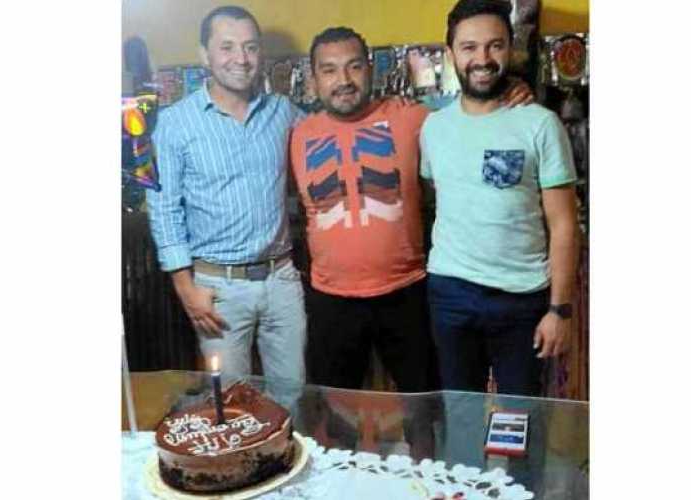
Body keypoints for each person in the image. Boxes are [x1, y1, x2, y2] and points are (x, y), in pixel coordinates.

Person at [289, 27, 531, 396]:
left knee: (425, 407)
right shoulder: (296, 132)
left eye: (354, 66)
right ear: (313, 78)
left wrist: (510, 88)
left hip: (406, 294)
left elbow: (471, 110)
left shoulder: (414, 118)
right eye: (329, 70)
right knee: (332, 410)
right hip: (330, 299)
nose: (344, 80)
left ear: (371, 68)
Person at [420, 0, 579, 397]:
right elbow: (438, 196)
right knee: (460, 413)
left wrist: (560, 310)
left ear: (510, 49)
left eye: (495, 45)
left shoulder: (541, 124)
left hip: (521, 298)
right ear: (451, 54)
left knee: (522, 418)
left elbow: (564, 224)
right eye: (469, 47)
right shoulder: (433, 127)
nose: (483, 59)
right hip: (450, 293)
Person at [146, 5, 306, 387]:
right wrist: (186, 288)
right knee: (232, 403)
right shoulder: (175, 123)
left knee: (294, 395)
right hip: (217, 287)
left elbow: (329, 132)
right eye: (227, 47)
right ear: (205, 55)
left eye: (250, 47)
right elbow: (164, 208)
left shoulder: (282, 112)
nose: (241, 58)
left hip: (282, 279)